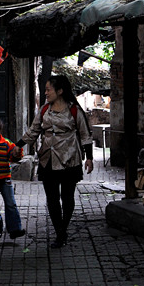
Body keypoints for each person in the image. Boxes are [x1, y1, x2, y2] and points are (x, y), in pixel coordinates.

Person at [15, 75, 93, 248]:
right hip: (47, 160)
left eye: (49, 89)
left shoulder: (74, 111)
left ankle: (63, 228)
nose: (46, 93)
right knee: (52, 198)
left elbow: (85, 135)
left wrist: (89, 158)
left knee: (67, 197)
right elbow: (33, 132)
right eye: (45, 89)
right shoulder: (44, 110)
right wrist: (17, 146)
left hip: (70, 159)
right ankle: (60, 232)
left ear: (60, 91)